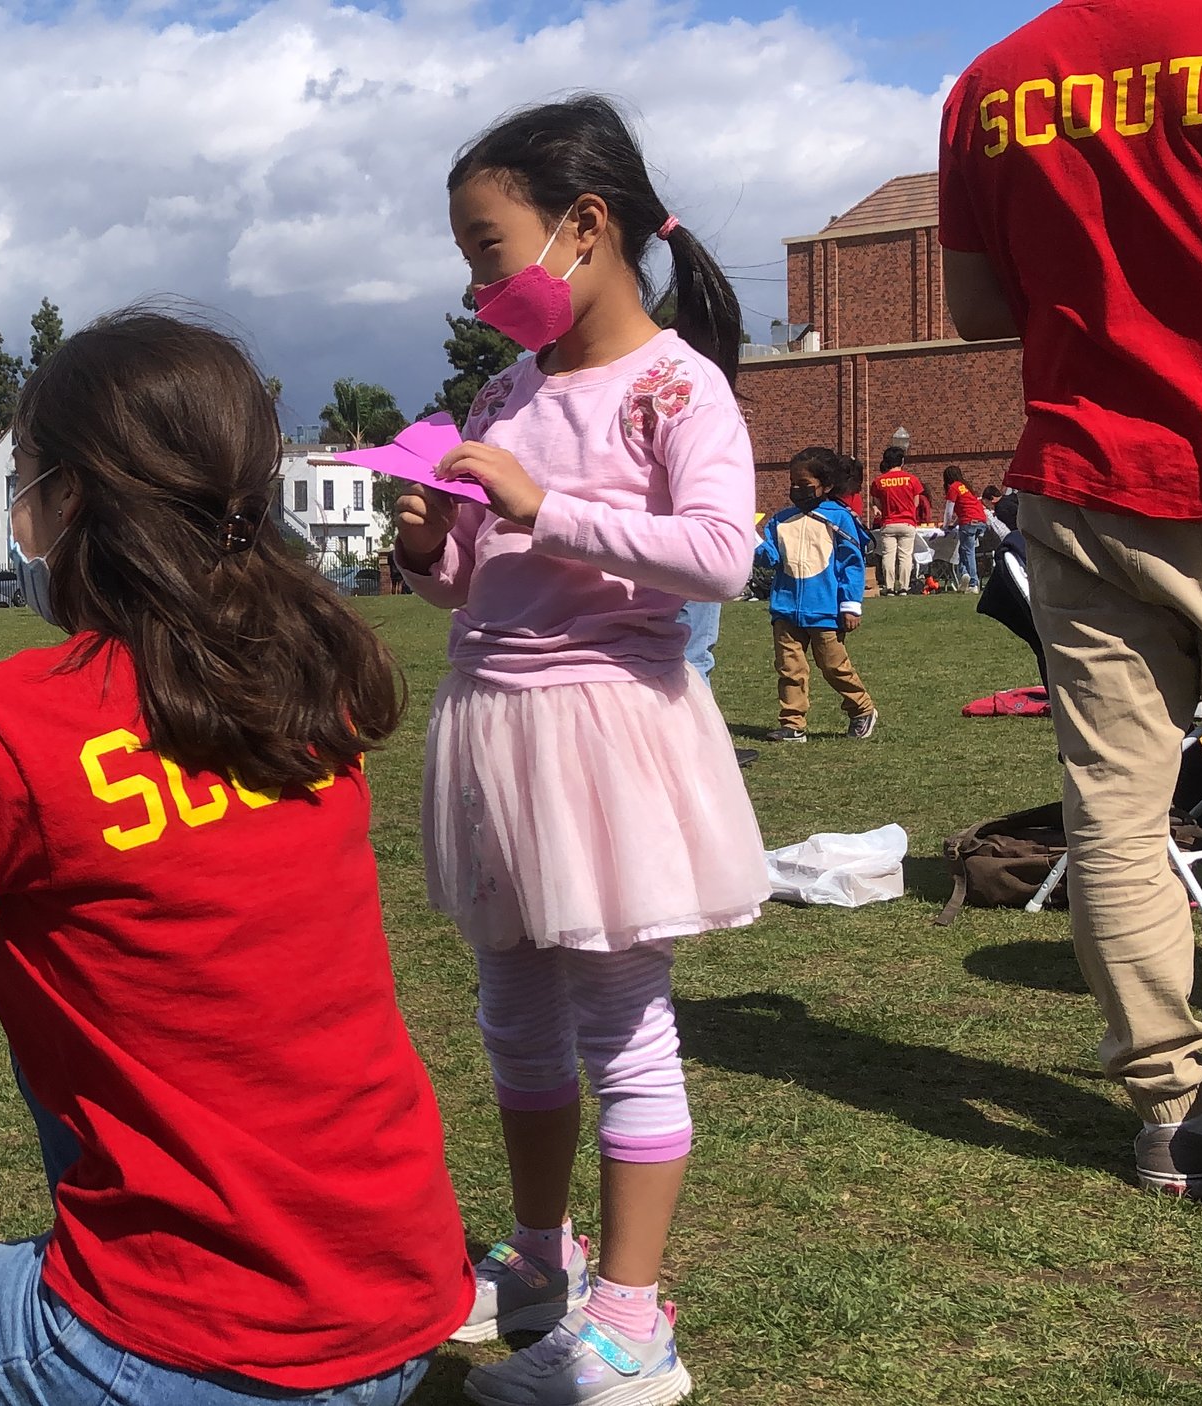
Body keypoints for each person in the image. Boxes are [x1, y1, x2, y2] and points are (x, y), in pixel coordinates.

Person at [0, 309, 471, 1406]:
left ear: (72, 497)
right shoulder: (293, 682)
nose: (20, 513)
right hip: (398, 1294)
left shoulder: (9, 723)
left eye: (25, 481)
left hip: (206, 1337)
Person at [394, 94, 767, 1406]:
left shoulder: (680, 387)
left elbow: (723, 555)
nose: (477, 280)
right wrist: (430, 538)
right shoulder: (506, 388)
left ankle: (632, 1321)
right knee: (512, 1014)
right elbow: (471, 581)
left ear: (585, 228)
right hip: (493, 723)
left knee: (621, 1021)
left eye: (489, 247)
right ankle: (543, 1265)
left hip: (606, 730)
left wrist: (545, 502)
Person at [940, 0, 1202, 1197]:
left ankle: (1168, 1111)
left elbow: (976, 310)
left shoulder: (989, 84)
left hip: (1079, 485)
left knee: (1114, 809)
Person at [760, 448, 877, 742]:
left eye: (804, 484)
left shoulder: (839, 519)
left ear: (825, 485)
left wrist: (851, 605)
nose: (797, 489)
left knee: (834, 666)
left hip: (825, 610)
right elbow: (771, 557)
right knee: (789, 669)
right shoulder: (780, 521)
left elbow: (851, 563)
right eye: (793, 483)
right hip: (786, 609)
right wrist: (751, 546)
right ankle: (792, 723)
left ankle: (861, 708)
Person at [868, 446, 933, 595]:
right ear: (902, 461)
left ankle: (889, 587)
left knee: (888, 556)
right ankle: (904, 587)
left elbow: (876, 503)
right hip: (907, 522)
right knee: (905, 556)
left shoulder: (879, 481)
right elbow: (916, 502)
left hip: (888, 522)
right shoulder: (912, 480)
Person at [941, 466, 990, 591]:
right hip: (980, 520)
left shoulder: (953, 488)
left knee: (968, 552)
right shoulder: (966, 487)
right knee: (964, 550)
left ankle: (973, 582)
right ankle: (964, 577)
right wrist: (956, 523)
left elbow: (949, 511)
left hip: (969, 522)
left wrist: (946, 525)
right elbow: (965, 509)